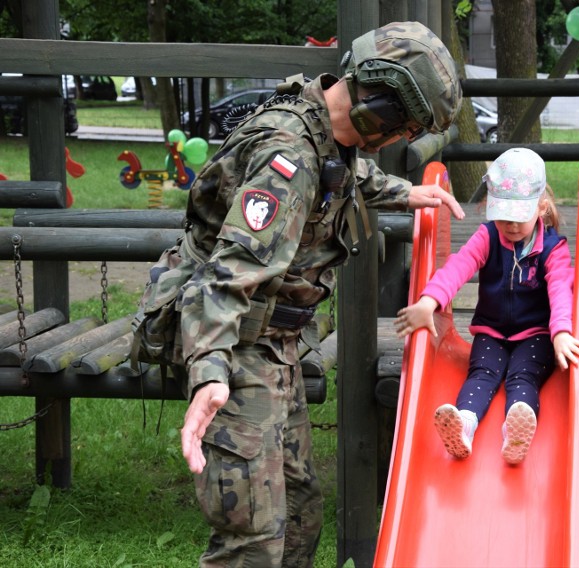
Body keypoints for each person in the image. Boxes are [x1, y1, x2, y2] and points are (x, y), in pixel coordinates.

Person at [165, 21, 463, 567]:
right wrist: (209, 372)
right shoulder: (288, 160)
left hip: (276, 345)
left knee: (300, 514)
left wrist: (405, 192)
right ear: (382, 109)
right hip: (237, 349)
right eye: (404, 128)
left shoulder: (321, 121)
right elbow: (227, 274)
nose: (399, 140)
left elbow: (346, 174)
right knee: (252, 540)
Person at [394, 148, 579, 465]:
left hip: (536, 334)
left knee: (523, 376)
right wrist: (429, 302)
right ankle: (464, 426)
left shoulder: (553, 249)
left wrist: (561, 333)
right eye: (503, 216)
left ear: (541, 208)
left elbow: (560, 292)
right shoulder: (488, 236)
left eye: (518, 217)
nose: (510, 225)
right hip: (492, 331)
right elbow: (459, 266)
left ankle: (516, 434)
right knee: (482, 374)